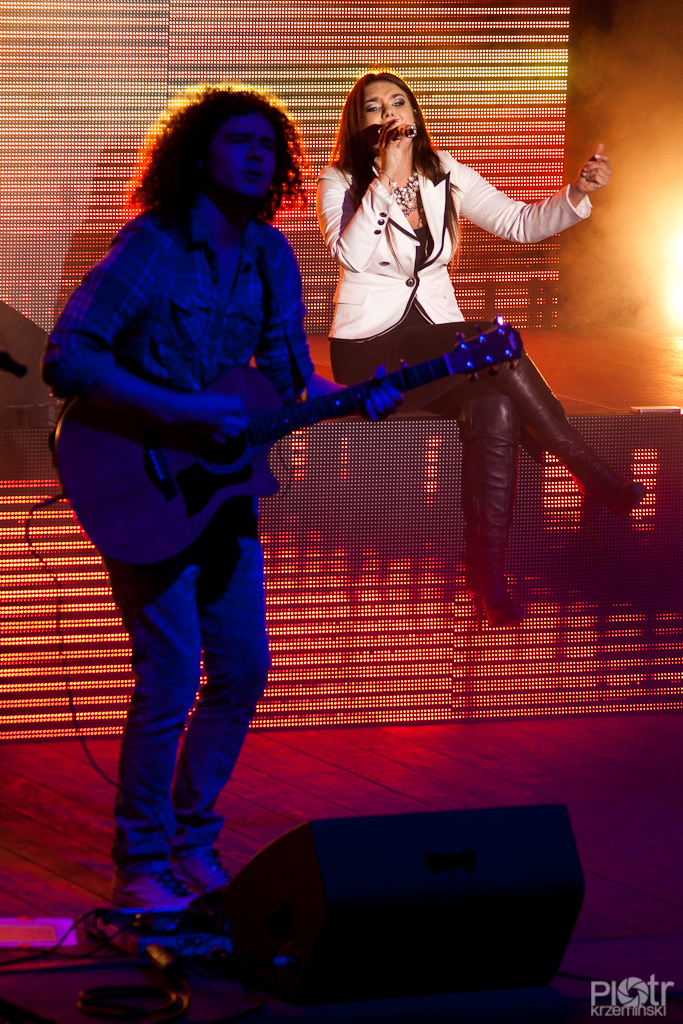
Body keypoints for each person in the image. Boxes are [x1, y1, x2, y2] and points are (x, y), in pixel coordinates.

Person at [42, 84, 399, 910]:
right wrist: (180, 411)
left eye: (268, 146)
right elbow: (69, 354)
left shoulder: (271, 257)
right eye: (239, 141)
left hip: (222, 498)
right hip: (138, 485)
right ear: (198, 154)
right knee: (171, 674)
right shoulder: (153, 245)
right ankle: (141, 864)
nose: (256, 156)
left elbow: (287, 383)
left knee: (242, 669)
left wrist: (353, 397)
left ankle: (192, 841)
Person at [316, 71, 645, 628]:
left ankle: (486, 572)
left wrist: (578, 194)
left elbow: (519, 222)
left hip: (432, 349)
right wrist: (384, 179)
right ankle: (589, 471)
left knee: (493, 405)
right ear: (359, 123)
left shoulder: (443, 173)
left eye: (399, 102)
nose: (389, 113)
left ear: (415, 115)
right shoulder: (342, 181)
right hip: (370, 353)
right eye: (374, 107)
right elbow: (349, 255)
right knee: (489, 341)